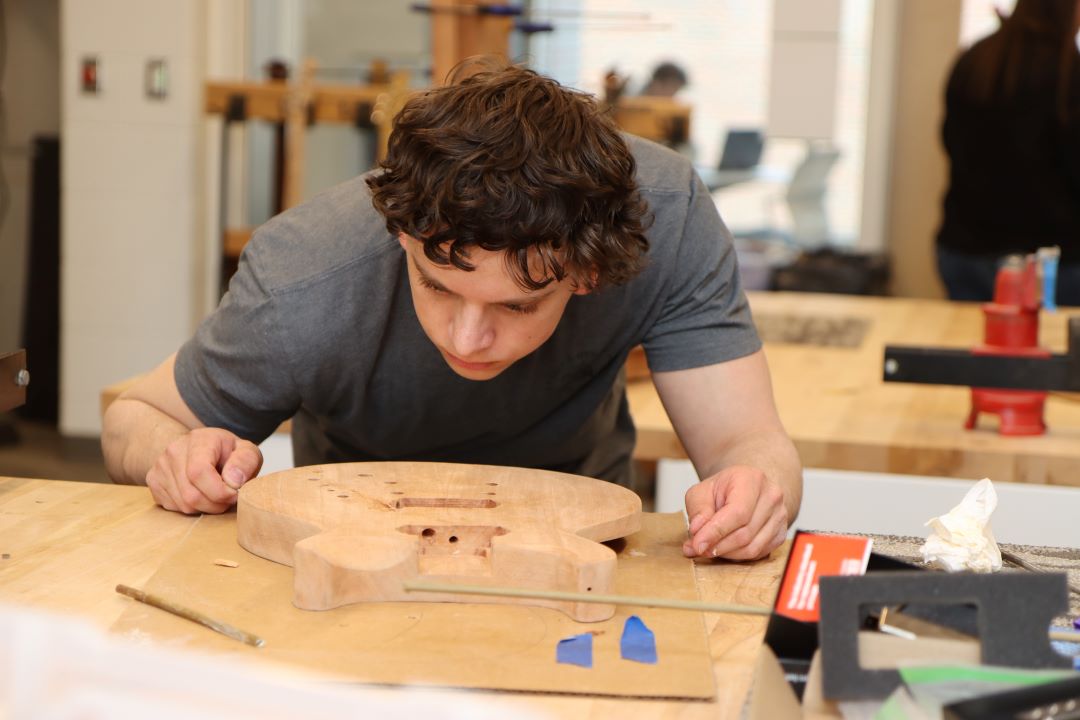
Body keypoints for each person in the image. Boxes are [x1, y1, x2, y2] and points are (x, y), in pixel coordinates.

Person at [102, 62, 802, 562]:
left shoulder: (668, 218)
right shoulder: (305, 278)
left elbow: (747, 442)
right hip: (352, 549)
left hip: (583, 544)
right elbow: (131, 419)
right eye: (437, 286)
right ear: (404, 236)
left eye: (517, 303)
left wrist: (755, 491)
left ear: (588, 273)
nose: (469, 338)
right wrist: (175, 457)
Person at [935, 0, 1080, 304]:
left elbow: (950, 142)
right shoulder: (1069, 73)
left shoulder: (978, 59)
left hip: (967, 249)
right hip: (1053, 262)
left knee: (971, 347)